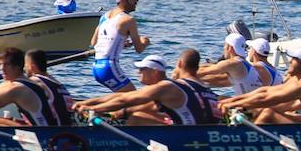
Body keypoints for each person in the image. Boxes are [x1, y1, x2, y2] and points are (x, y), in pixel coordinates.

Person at [75, 51, 223, 126]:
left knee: (136, 118)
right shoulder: (205, 88)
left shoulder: (168, 87)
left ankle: (123, 150)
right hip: (205, 133)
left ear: (179, 64)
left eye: (142, 69)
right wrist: (92, 103)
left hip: (187, 137)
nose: (138, 73)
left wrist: (91, 107)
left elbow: (124, 99)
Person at [90, 0, 150, 91]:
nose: (137, 0)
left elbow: (94, 43)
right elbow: (139, 49)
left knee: (123, 99)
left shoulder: (104, 17)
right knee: (134, 98)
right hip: (109, 67)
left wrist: (120, 43)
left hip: (96, 67)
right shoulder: (128, 20)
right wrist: (144, 42)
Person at [197, 35, 280, 94]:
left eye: (250, 48)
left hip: (261, 108)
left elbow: (220, 78)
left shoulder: (257, 67)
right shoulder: (270, 68)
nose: (248, 51)